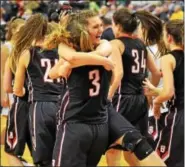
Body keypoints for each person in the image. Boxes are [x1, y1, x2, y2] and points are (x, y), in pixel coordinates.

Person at [48, 10, 166, 167]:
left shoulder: (105, 44)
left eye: (101, 25)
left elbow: (89, 58)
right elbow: (54, 72)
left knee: (135, 144)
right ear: (82, 29)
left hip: (100, 112)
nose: (101, 30)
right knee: (125, 147)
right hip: (82, 116)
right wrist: (97, 61)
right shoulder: (70, 48)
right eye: (96, 26)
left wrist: (71, 63)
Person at [106, 8, 162, 166]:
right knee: (134, 151)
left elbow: (119, 74)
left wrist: (107, 98)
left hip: (122, 99)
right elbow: (156, 73)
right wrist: (149, 94)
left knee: (113, 149)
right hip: (140, 101)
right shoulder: (141, 44)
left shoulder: (116, 43)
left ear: (117, 26)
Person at [12, 14, 64, 166]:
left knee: (43, 160)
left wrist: (24, 93)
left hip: (40, 106)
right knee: (61, 154)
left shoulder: (27, 53)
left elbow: (17, 89)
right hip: (64, 105)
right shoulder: (61, 51)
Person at [143, 19, 184, 167]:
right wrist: (157, 91)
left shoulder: (168, 58)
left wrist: (156, 103)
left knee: (163, 160)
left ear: (169, 37)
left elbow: (169, 92)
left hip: (179, 116)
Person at [2, 18, 32, 166]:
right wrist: (3, 94)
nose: (22, 32)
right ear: (12, 30)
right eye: (19, 29)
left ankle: (19, 159)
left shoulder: (25, 50)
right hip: (18, 93)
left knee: (12, 148)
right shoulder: (7, 47)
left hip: (22, 96)